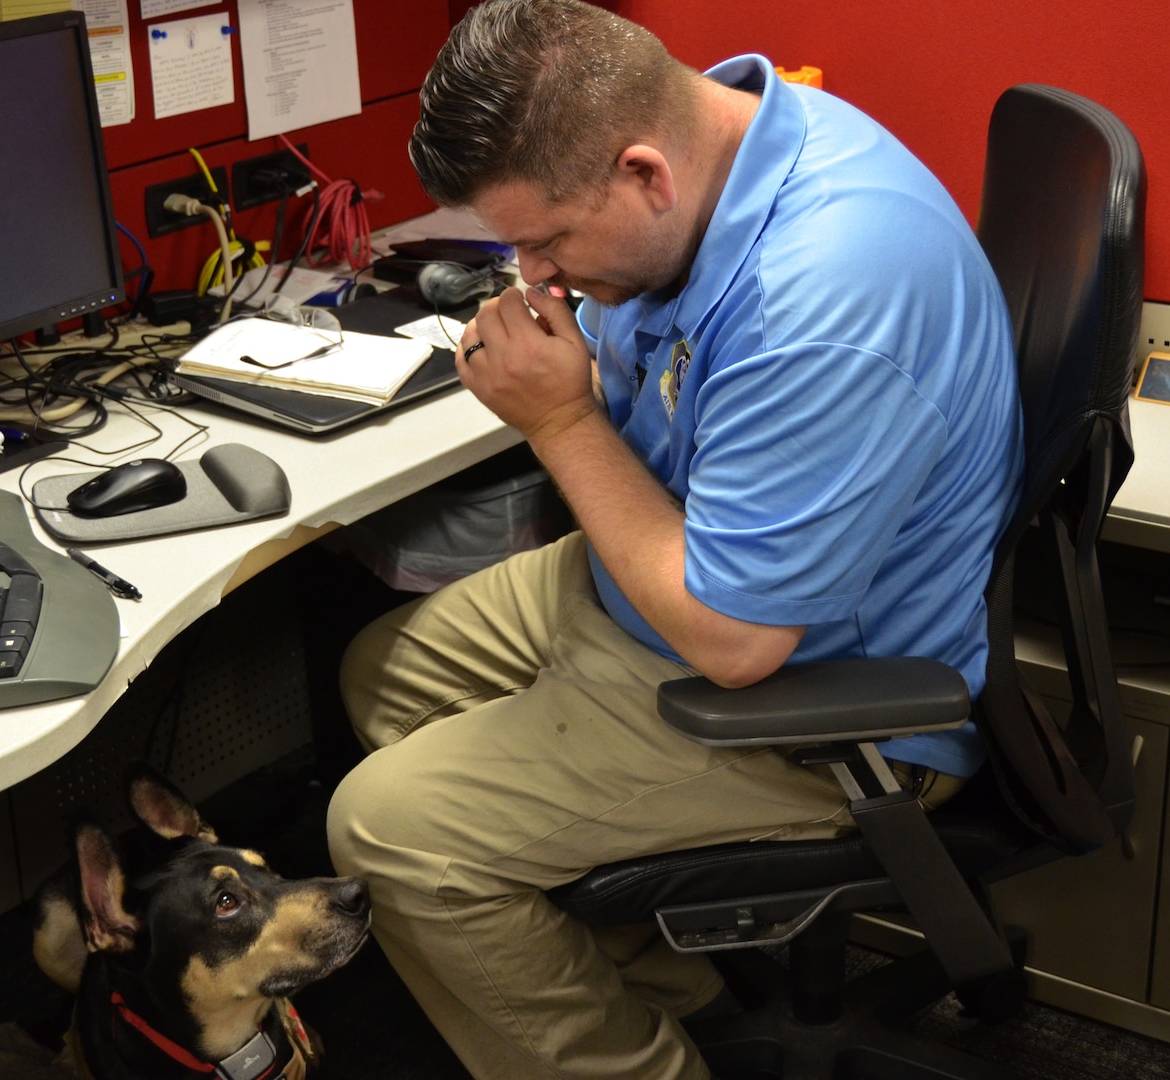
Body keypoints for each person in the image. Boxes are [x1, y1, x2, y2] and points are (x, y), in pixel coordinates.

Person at [324, 1, 1024, 1077]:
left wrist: (556, 418)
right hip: (674, 576)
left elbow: (735, 642)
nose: (538, 278)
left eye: (546, 241)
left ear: (645, 173)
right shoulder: (727, 139)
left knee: (385, 832)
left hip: (800, 688)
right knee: (383, 675)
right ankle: (663, 991)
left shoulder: (824, 294)